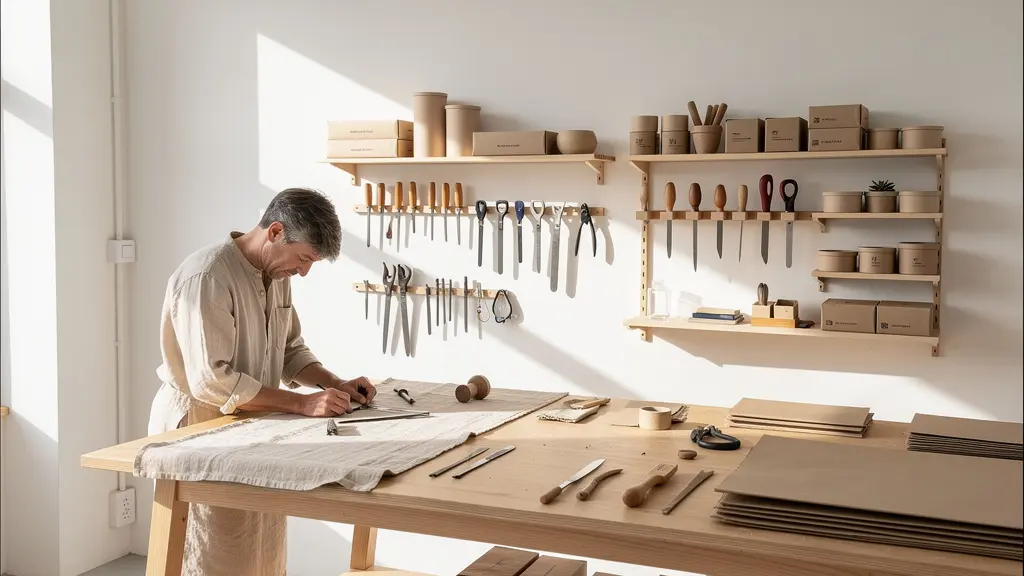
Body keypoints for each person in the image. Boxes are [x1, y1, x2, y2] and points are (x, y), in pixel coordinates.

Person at [147, 187, 376, 576]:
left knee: (261, 552)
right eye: (303, 259)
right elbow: (212, 380)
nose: (304, 272)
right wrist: (302, 404)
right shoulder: (208, 276)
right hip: (200, 430)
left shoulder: (276, 273)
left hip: (252, 426)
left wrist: (333, 383)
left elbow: (289, 350)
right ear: (274, 232)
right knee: (213, 555)